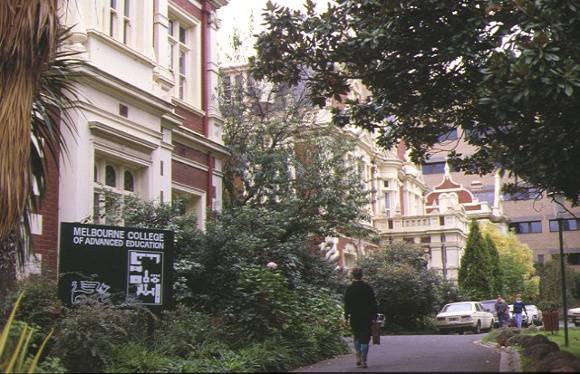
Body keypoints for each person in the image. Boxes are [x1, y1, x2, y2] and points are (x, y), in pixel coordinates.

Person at [344, 267, 378, 369]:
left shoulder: (350, 288)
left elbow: (347, 303)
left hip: (354, 316)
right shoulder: (368, 288)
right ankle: (363, 360)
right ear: (362, 275)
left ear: (353, 275)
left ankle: (358, 355)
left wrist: (346, 316)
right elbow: (373, 303)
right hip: (366, 316)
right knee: (365, 338)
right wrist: (374, 316)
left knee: (357, 336)